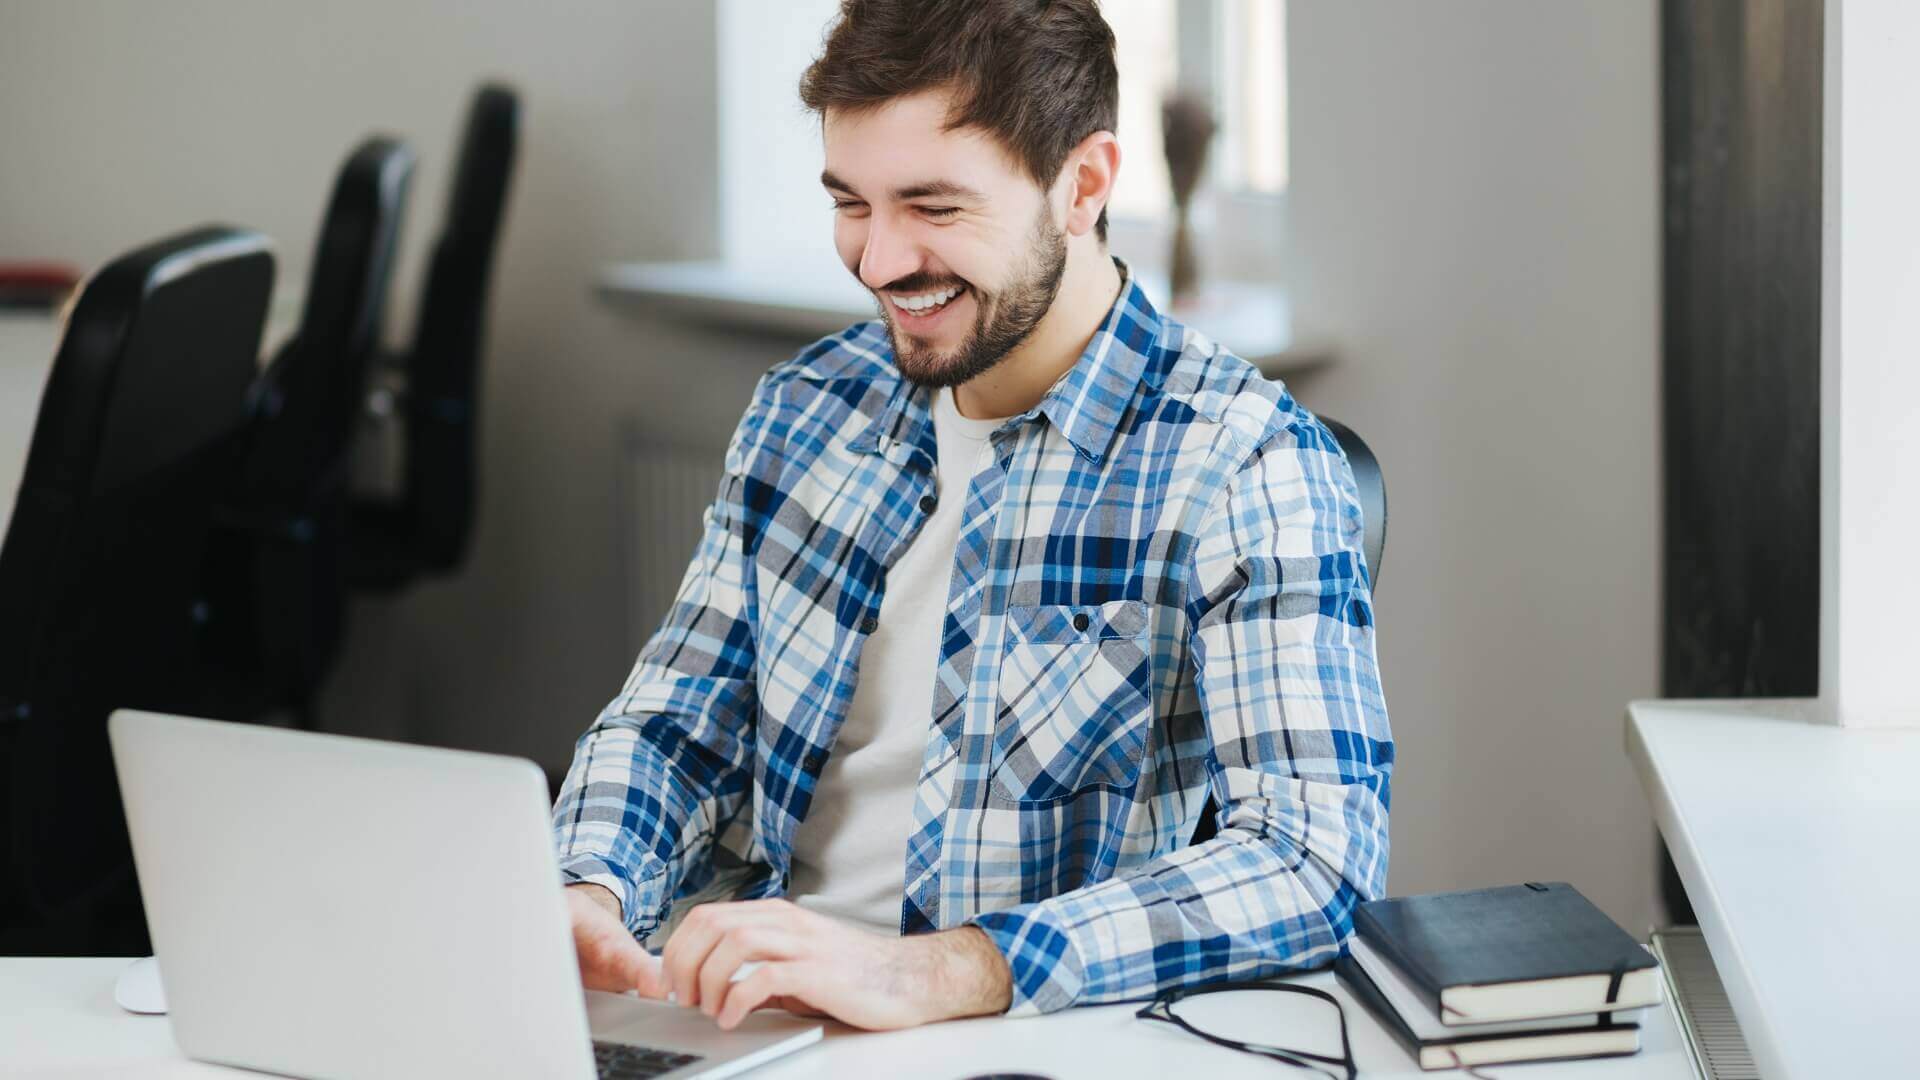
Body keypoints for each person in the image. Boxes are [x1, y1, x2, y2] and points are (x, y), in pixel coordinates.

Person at [551, 0, 1391, 1032]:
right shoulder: (804, 408)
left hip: (1007, 1039)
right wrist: (587, 887)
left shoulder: (1244, 462)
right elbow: (677, 728)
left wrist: (930, 973)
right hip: (743, 1021)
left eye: (934, 208)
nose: (879, 261)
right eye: (851, 202)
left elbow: (1311, 861)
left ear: (1082, 186)